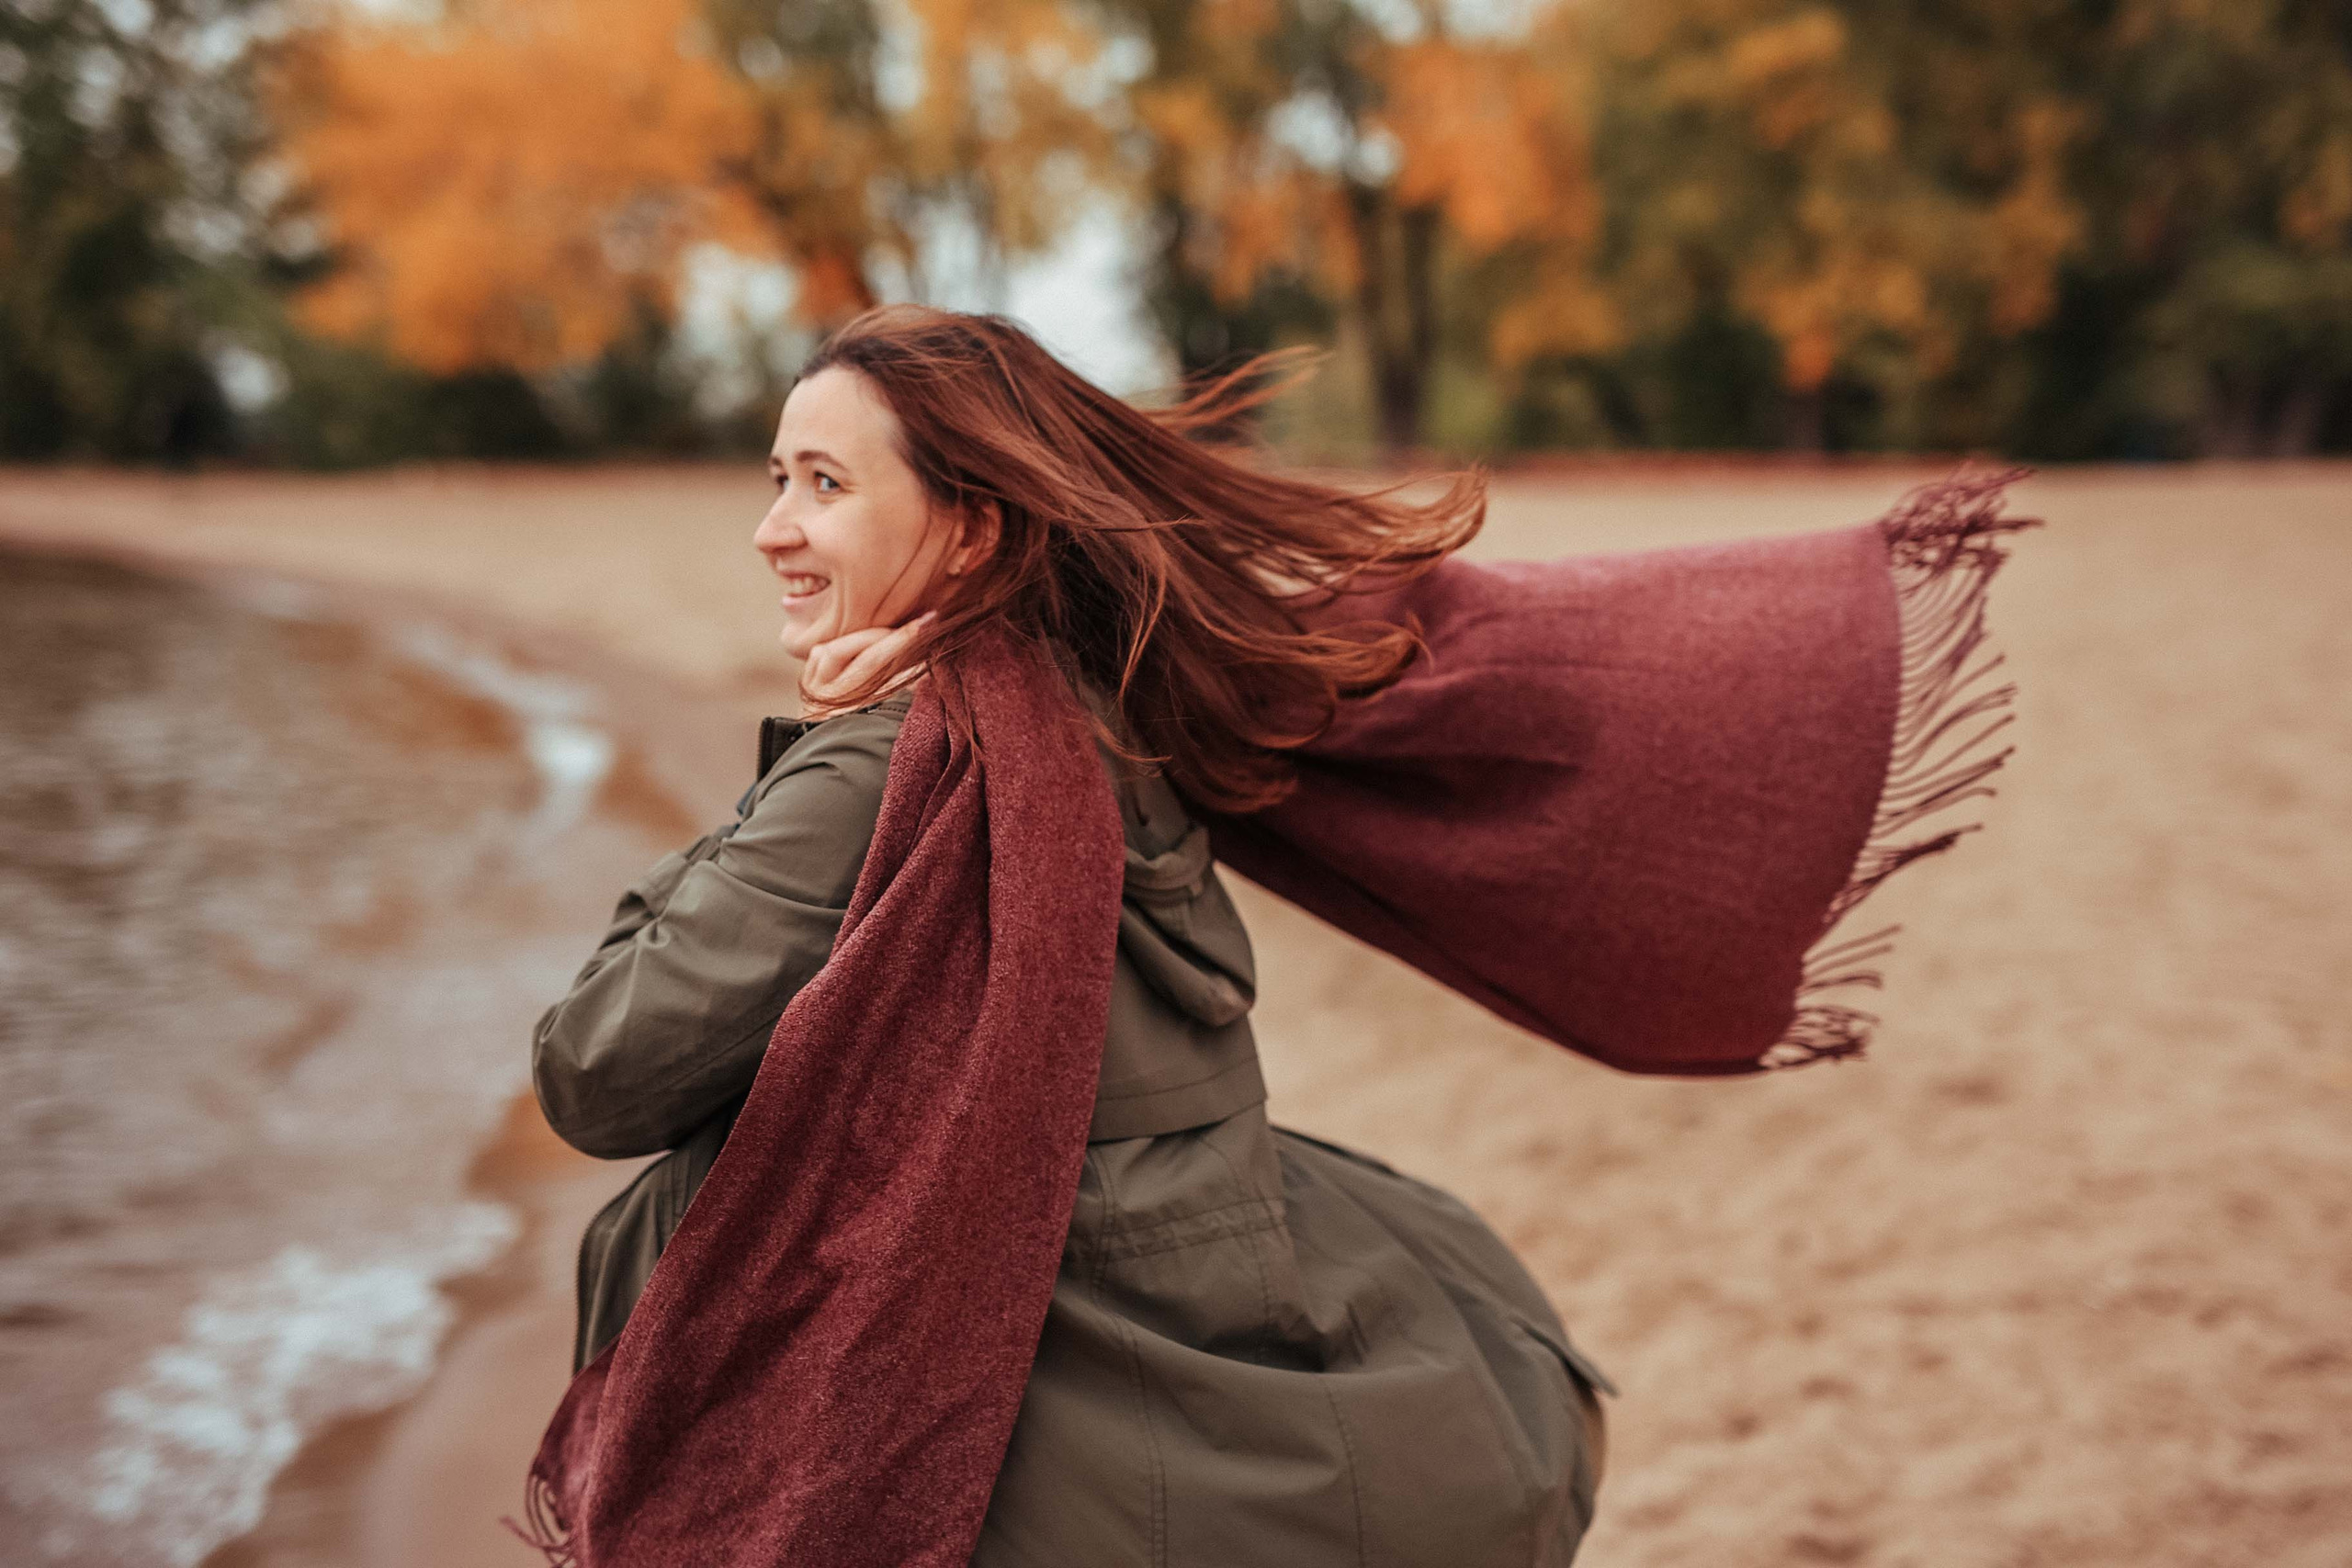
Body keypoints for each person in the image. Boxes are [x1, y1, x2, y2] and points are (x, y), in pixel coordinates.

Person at [530, 304, 1615, 1564]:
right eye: (777, 479)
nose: (774, 527)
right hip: (1200, 1286)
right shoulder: (1094, 703)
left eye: (824, 484)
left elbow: (593, 1068)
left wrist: (809, 764)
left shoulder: (890, 771)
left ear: (974, 529)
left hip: (1074, 1380)